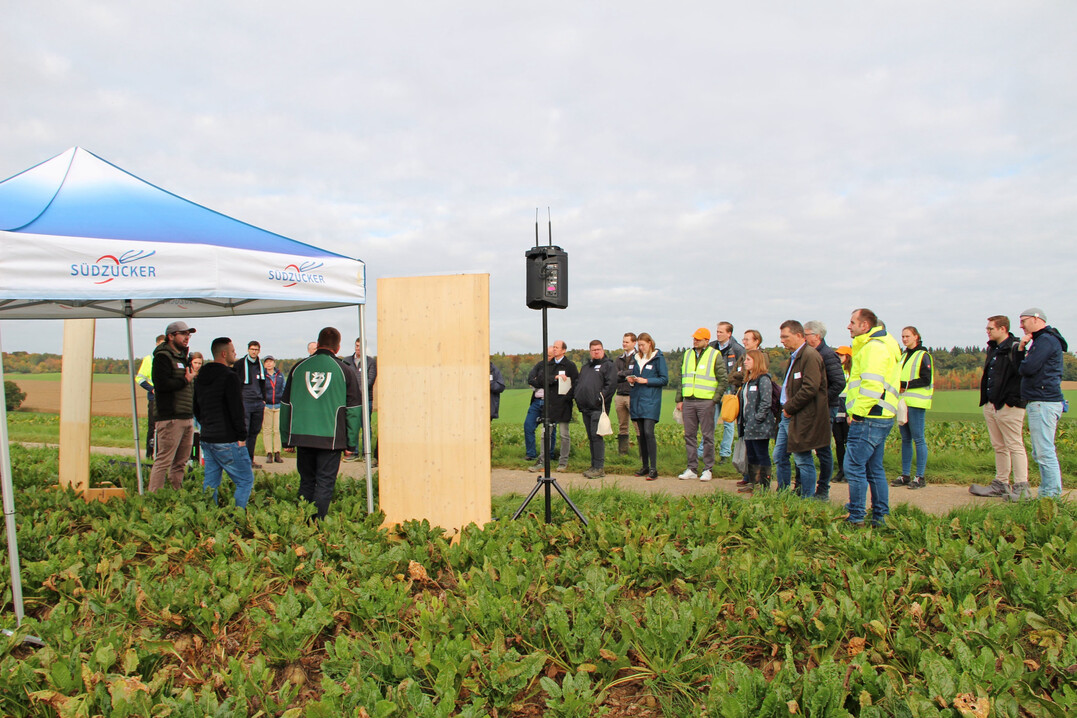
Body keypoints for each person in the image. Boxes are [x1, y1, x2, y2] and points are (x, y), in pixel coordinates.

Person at [281, 326, 361, 520]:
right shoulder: (345, 371)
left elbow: (285, 405)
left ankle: (302, 521)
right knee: (325, 483)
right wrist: (351, 444)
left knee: (307, 481)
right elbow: (353, 411)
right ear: (338, 347)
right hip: (330, 439)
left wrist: (286, 439)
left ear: (317, 345)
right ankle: (316, 525)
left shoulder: (298, 368)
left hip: (302, 436)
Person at [843, 308, 902, 527]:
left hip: (869, 415)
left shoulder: (873, 348)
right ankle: (880, 516)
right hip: (881, 414)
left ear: (865, 325)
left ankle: (857, 516)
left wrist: (857, 413)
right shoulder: (883, 344)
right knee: (873, 468)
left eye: (852, 322)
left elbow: (871, 386)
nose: (849, 326)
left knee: (854, 467)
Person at [1011, 308, 1068, 500]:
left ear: (1036, 319)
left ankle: (1051, 497)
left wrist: (1022, 352)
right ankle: (1048, 494)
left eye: (1023, 320)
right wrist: (1022, 350)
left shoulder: (1045, 341)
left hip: (1043, 401)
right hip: (1042, 400)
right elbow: (1024, 368)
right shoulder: (1044, 340)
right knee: (1041, 451)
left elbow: (1027, 368)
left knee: (1044, 452)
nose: (1020, 325)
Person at [970, 316, 1028, 498]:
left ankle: (1021, 486)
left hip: (1009, 405)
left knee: (1014, 445)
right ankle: (1001, 483)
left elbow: (1022, 374)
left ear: (1003, 329)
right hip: (992, 404)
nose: (987, 331)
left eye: (990, 329)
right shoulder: (993, 349)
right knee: (999, 446)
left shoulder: (1016, 347)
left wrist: (1011, 400)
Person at [193, 337, 255, 509]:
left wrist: (206, 425)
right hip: (227, 439)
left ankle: (208, 516)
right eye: (233, 350)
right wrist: (241, 435)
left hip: (207, 437)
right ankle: (237, 518)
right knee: (245, 480)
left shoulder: (200, 377)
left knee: (211, 482)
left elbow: (195, 407)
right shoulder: (230, 377)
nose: (235, 353)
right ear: (223, 353)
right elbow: (237, 409)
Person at [773, 320, 830, 499]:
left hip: (800, 416)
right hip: (787, 416)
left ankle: (806, 499)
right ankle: (783, 493)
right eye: (781, 336)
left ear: (799, 335)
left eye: (785, 337)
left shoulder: (810, 356)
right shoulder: (794, 356)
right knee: (779, 455)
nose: (782, 340)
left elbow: (810, 388)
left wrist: (790, 407)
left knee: (802, 459)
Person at [148, 321, 196, 493]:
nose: (187, 338)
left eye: (188, 335)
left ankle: (175, 493)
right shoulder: (162, 357)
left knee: (181, 461)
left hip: (186, 416)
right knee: (164, 460)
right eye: (183, 334)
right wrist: (185, 380)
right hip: (170, 417)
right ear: (171, 336)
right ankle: (155, 496)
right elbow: (161, 384)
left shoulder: (184, 357)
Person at [676, 327, 728, 482]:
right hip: (689, 401)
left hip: (706, 401)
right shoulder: (687, 354)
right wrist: (679, 399)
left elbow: (723, 379)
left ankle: (708, 469)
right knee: (689, 436)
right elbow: (682, 378)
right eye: (694, 338)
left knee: (707, 436)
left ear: (706, 340)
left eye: (698, 339)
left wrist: (714, 400)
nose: (695, 341)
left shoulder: (715, 355)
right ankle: (692, 468)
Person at [804, 321, 846, 499]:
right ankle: (805, 486)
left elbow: (839, 383)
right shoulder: (811, 353)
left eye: (806, 334)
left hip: (826, 408)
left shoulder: (827, 355)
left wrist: (821, 400)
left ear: (816, 336)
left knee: (823, 449)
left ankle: (823, 490)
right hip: (812, 408)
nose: (804, 337)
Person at [893, 327, 933, 490]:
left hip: (916, 403)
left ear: (916, 337)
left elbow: (926, 379)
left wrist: (905, 385)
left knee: (918, 439)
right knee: (905, 439)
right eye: (902, 336)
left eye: (907, 336)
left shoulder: (924, 355)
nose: (904, 339)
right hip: (903, 402)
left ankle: (920, 476)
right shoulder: (903, 356)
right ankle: (905, 475)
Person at [529, 340, 578, 472]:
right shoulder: (548, 365)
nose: (554, 349)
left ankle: (563, 462)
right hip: (549, 404)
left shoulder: (570, 366)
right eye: (554, 347)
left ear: (564, 350)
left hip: (564, 405)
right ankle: (542, 462)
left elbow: (576, 384)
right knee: (545, 434)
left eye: (557, 347)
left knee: (564, 434)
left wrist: (568, 398)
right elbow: (539, 380)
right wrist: (554, 378)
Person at [628, 332, 668, 481]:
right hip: (637, 399)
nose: (640, 347)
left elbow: (664, 379)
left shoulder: (658, 358)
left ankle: (653, 468)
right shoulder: (636, 358)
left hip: (650, 400)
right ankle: (644, 465)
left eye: (642, 344)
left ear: (650, 343)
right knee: (641, 435)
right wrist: (632, 380)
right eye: (639, 345)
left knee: (648, 432)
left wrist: (646, 381)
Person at [575, 340, 618, 478]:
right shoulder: (586, 367)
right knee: (591, 437)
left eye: (598, 349)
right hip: (585, 407)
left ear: (603, 350)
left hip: (598, 408)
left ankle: (599, 467)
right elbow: (579, 383)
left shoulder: (608, 366)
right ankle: (593, 465)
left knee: (596, 436)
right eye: (593, 350)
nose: (596, 352)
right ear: (590, 351)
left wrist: (600, 398)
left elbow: (611, 385)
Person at [737, 349, 775, 493]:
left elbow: (766, 401)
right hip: (748, 425)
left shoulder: (763, 379)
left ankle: (765, 485)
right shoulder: (748, 381)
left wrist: (757, 418)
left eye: (748, 360)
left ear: (757, 361)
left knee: (761, 453)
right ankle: (753, 482)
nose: (745, 362)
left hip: (760, 425)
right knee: (751, 454)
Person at [708, 321, 744, 465]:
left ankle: (725, 454)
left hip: (729, 391)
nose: (718, 334)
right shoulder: (711, 347)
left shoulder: (737, 349)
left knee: (728, 423)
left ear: (729, 334)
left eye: (721, 332)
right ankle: (704, 452)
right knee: (710, 422)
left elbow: (740, 372)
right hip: (713, 389)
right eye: (717, 331)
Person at [342, 338, 377, 462]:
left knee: (366, 426)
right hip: (351, 401)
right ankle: (353, 452)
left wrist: (356, 392)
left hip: (365, 400)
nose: (358, 348)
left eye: (360, 346)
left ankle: (366, 453)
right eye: (356, 346)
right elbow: (343, 378)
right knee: (352, 426)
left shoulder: (370, 362)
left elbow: (370, 380)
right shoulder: (346, 361)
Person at [233, 340, 266, 467]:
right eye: (252, 349)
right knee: (244, 432)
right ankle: (241, 460)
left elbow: (263, 383)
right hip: (245, 401)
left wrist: (264, 399)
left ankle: (250, 459)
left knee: (254, 432)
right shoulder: (240, 364)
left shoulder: (260, 365)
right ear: (248, 350)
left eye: (256, 350)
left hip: (258, 402)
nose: (254, 352)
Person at [136, 334, 165, 459]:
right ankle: (149, 454)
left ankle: (161, 454)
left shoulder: (168, 359)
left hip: (167, 399)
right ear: (156, 344)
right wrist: (151, 389)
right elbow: (139, 378)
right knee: (152, 427)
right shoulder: (149, 359)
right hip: (154, 398)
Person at [523, 348, 554, 461]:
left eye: (550, 355)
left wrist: (542, 382)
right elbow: (530, 379)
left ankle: (549, 455)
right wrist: (544, 382)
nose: (547, 358)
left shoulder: (556, 367)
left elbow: (553, 382)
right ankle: (531, 454)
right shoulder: (539, 365)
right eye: (546, 355)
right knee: (528, 425)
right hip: (536, 401)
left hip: (550, 402)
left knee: (550, 429)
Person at [830, 346, 853, 483]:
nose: (839, 357)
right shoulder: (835, 370)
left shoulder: (852, 372)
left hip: (847, 409)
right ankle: (841, 470)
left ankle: (849, 471)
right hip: (837, 408)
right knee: (838, 441)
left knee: (848, 441)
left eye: (842, 355)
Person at [613, 333, 637, 455]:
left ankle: (643, 454)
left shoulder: (638, 357)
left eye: (627, 342)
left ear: (634, 343)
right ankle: (623, 453)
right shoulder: (619, 359)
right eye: (623, 341)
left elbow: (635, 372)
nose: (624, 344)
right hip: (620, 394)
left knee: (637, 424)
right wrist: (626, 374)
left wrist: (622, 373)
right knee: (622, 425)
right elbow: (614, 375)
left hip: (633, 394)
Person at [263, 356, 286, 463]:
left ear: (274, 363)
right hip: (267, 406)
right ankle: (269, 453)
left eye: (270, 362)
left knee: (277, 430)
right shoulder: (263, 375)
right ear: (264, 364)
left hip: (278, 405)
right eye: (266, 362)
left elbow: (284, 388)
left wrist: (282, 399)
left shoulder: (280, 375)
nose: (269, 364)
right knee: (267, 430)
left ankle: (277, 452)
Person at [188, 352, 204, 467]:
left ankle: (203, 459)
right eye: (195, 363)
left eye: (199, 363)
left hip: (201, 410)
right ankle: (190, 459)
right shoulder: (188, 375)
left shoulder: (203, 376)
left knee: (203, 436)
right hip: (190, 409)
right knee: (189, 437)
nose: (197, 365)